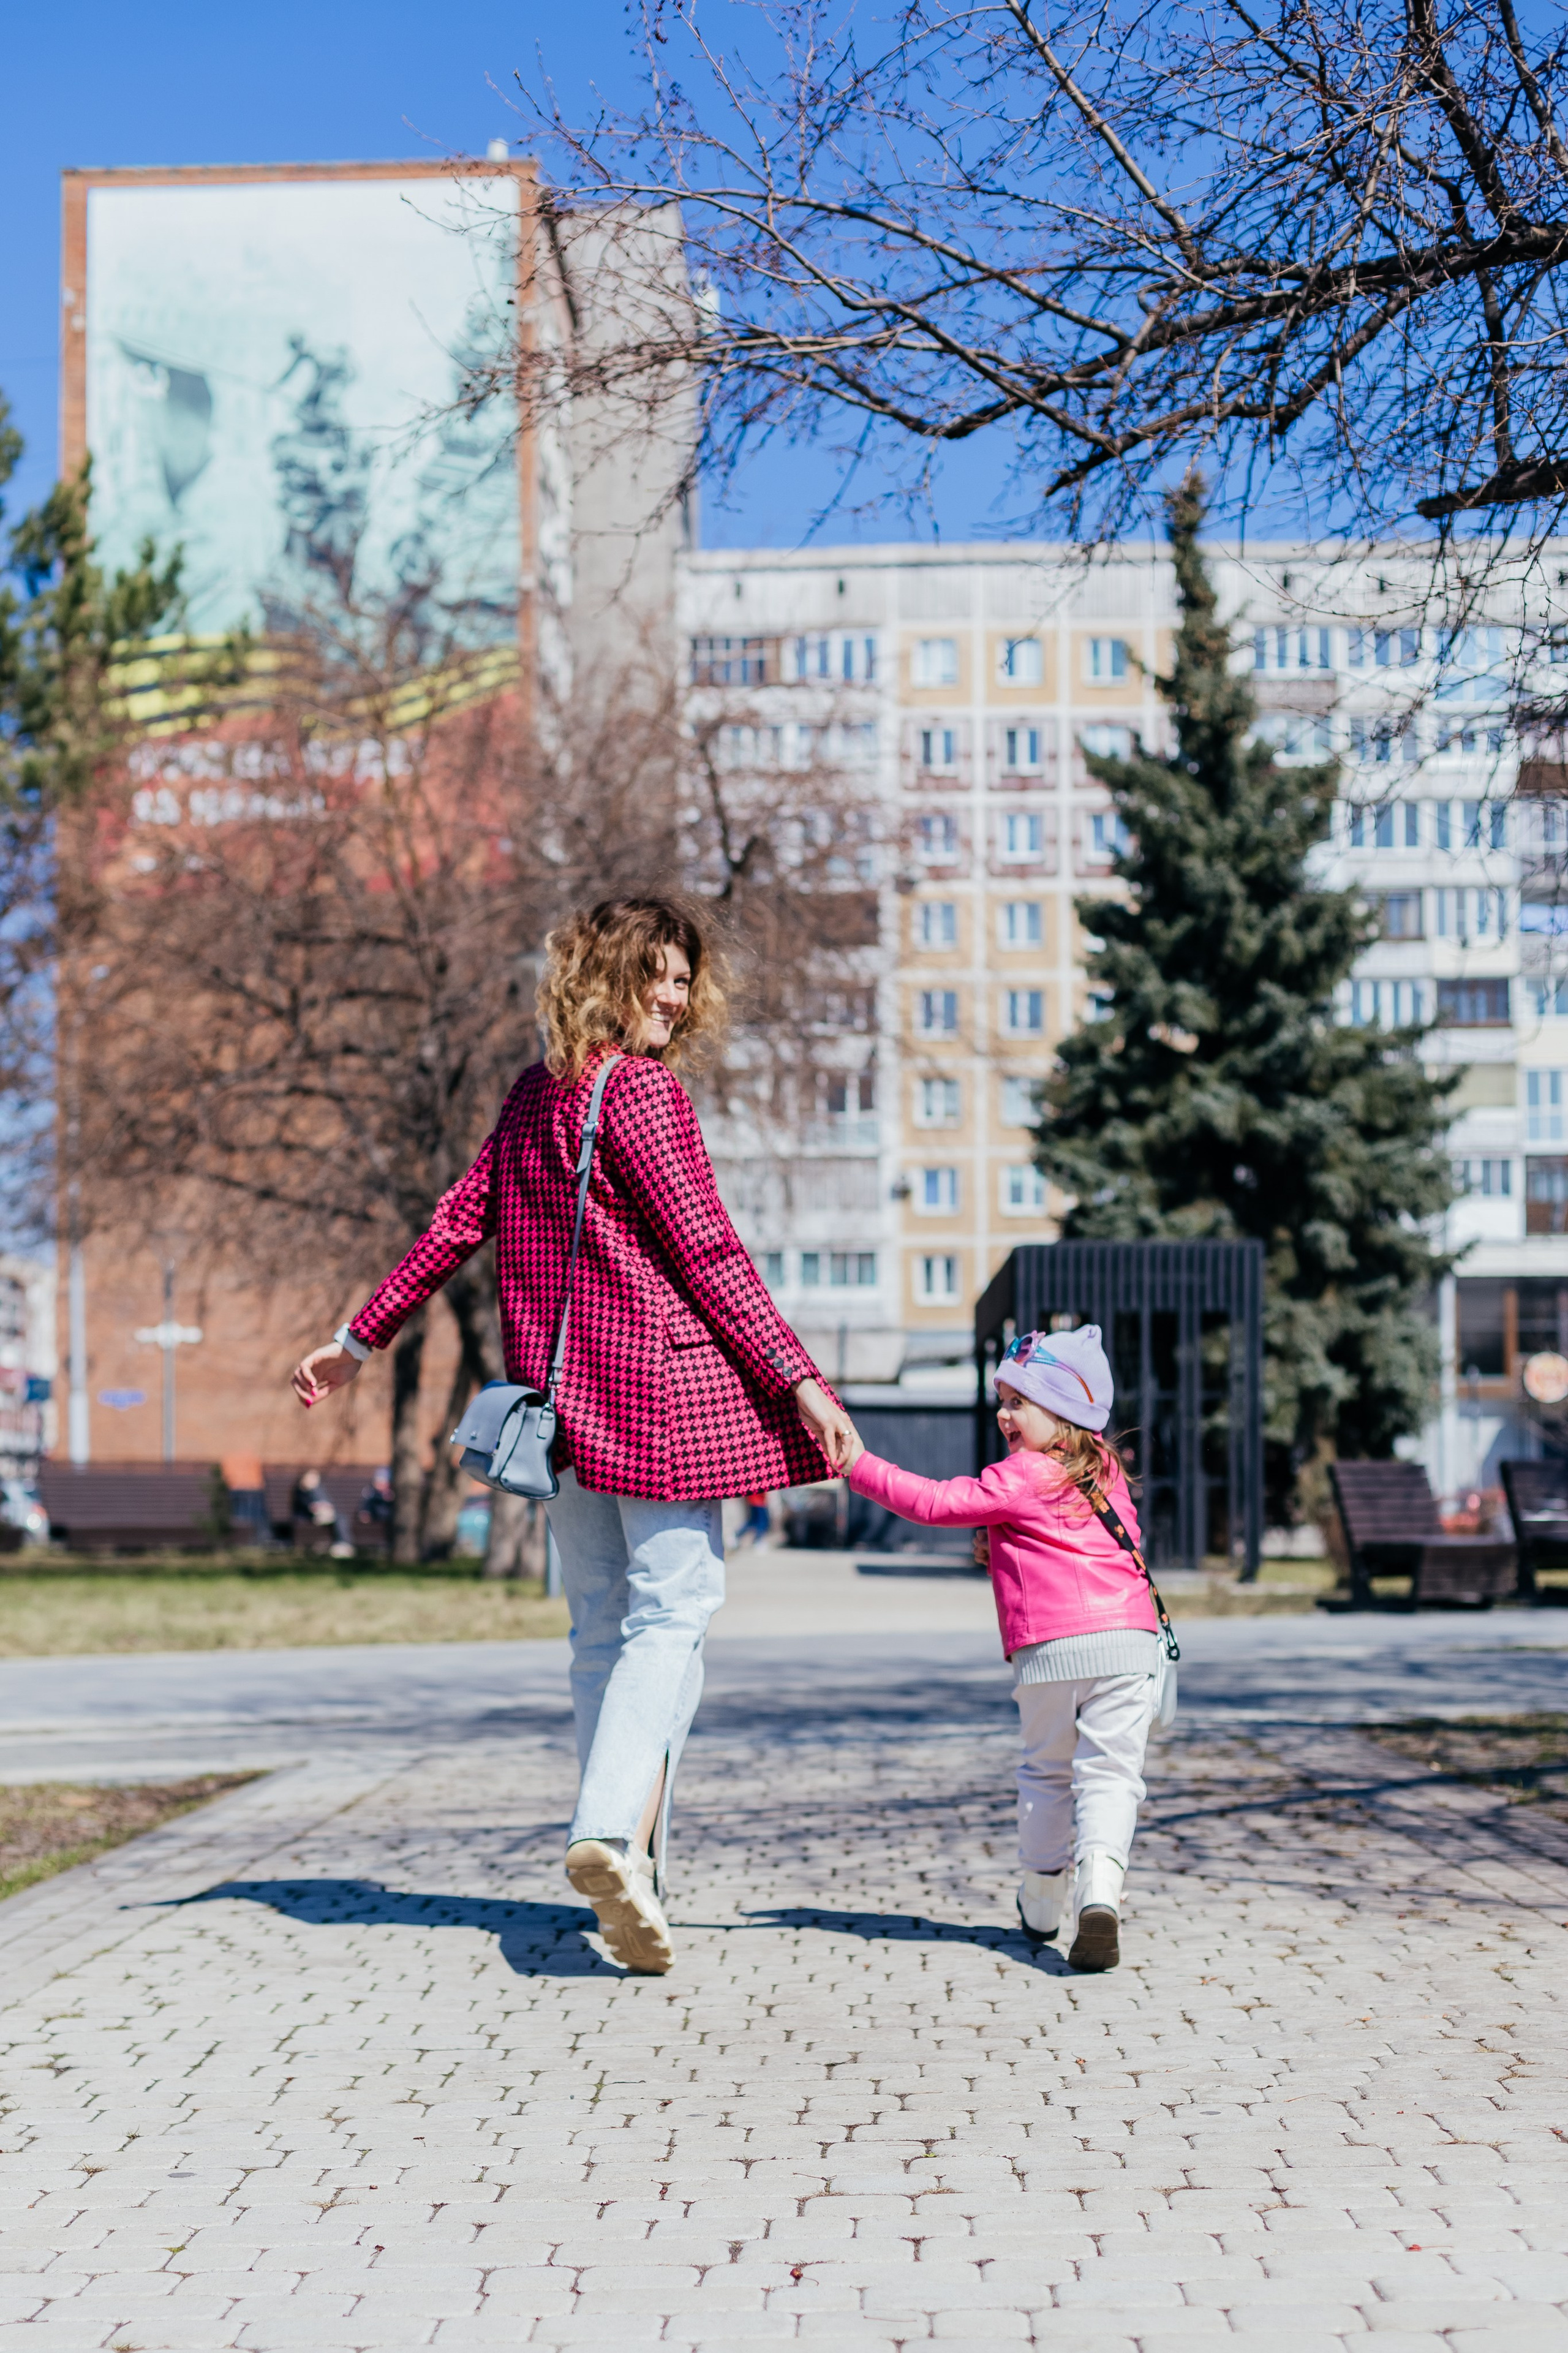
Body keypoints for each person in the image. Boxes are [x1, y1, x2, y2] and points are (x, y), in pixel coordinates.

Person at [290, 895, 854, 1975]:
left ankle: (630, 1856)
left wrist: (356, 1339)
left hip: (560, 1415)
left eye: (687, 980)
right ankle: (608, 1831)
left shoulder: (530, 1097)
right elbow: (711, 1254)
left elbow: (458, 1218)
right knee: (676, 1609)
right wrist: (803, 1380)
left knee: (602, 1630)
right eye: (660, 976)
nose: (678, 999)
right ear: (607, 976)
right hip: (656, 1399)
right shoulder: (643, 1095)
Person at [842, 1326, 1161, 1973]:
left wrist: (857, 1466)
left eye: (1018, 1401)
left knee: (1047, 1770)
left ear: (1065, 1412)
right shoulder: (1107, 1473)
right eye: (1002, 1399)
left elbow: (933, 1502)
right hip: (1131, 1642)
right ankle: (1099, 1891)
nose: (1002, 1413)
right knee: (1111, 1774)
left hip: (1052, 1648)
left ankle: (1042, 1902)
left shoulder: (1022, 1475)